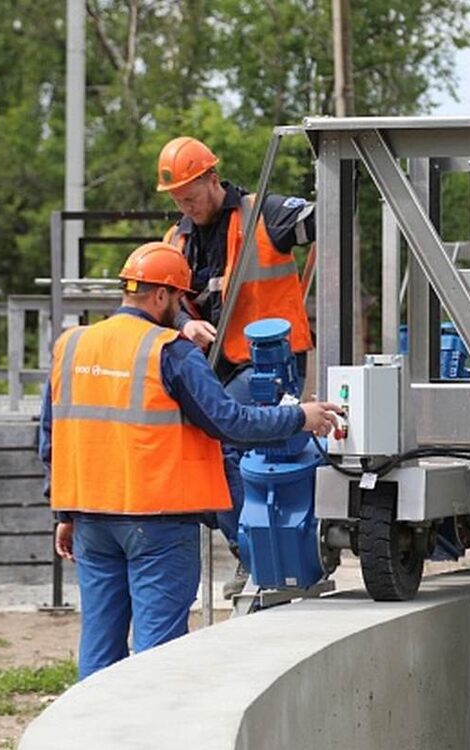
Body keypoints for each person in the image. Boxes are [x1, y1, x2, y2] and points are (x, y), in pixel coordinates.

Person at [39, 242, 339, 680]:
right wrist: (300, 417)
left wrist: (64, 512)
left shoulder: (72, 345)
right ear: (161, 295)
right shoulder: (169, 350)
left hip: (90, 519)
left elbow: (52, 437)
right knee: (159, 655)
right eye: (180, 299)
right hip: (158, 521)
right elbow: (229, 421)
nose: (181, 309)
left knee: (99, 649)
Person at [156, 135, 316, 596]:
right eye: (176, 199)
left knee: (228, 440)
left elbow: (322, 219)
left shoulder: (265, 213)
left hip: (270, 361)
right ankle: (253, 545)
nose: (185, 205)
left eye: (190, 194)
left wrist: (331, 179)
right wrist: (185, 325)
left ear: (211, 177)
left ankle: (256, 553)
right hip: (213, 364)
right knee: (208, 448)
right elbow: (170, 303)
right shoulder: (176, 239)